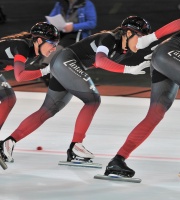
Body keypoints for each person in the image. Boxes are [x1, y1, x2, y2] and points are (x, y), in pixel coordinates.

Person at [0, 16, 179, 169]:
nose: (140, 44)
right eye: (139, 38)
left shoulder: (125, 45)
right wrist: (127, 70)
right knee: (92, 99)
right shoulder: (110, 38)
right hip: (66, 62)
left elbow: (155, 37)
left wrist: (154, 43)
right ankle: (76, 146)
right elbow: (100, 61)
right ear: (128, 33)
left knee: (48, 109)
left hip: (65, 65)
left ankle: (9, 141)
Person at [104, 24, 180, 178]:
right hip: (169, 54)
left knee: (156, 114)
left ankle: (118, 159)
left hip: (164, 55)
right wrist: (154, 40)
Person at [0, 21, 59, 143]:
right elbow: (20, 76)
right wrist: (45, 71)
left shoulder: (36, 53)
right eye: (52, 44)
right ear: (38, 41)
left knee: (9, 99)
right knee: (8, 98)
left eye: (56, 44)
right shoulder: (23, 47)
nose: (54, 48)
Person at [41, 0, 97, 68]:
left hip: (77, 33)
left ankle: (46, 65)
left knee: (60, 45)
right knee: (46, 41)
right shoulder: (60, 4)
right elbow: (50, 19)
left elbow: (92, 23)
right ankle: (47, 66)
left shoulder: (87, 5)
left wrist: (73, 27)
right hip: (60, 31)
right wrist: (54, 25)